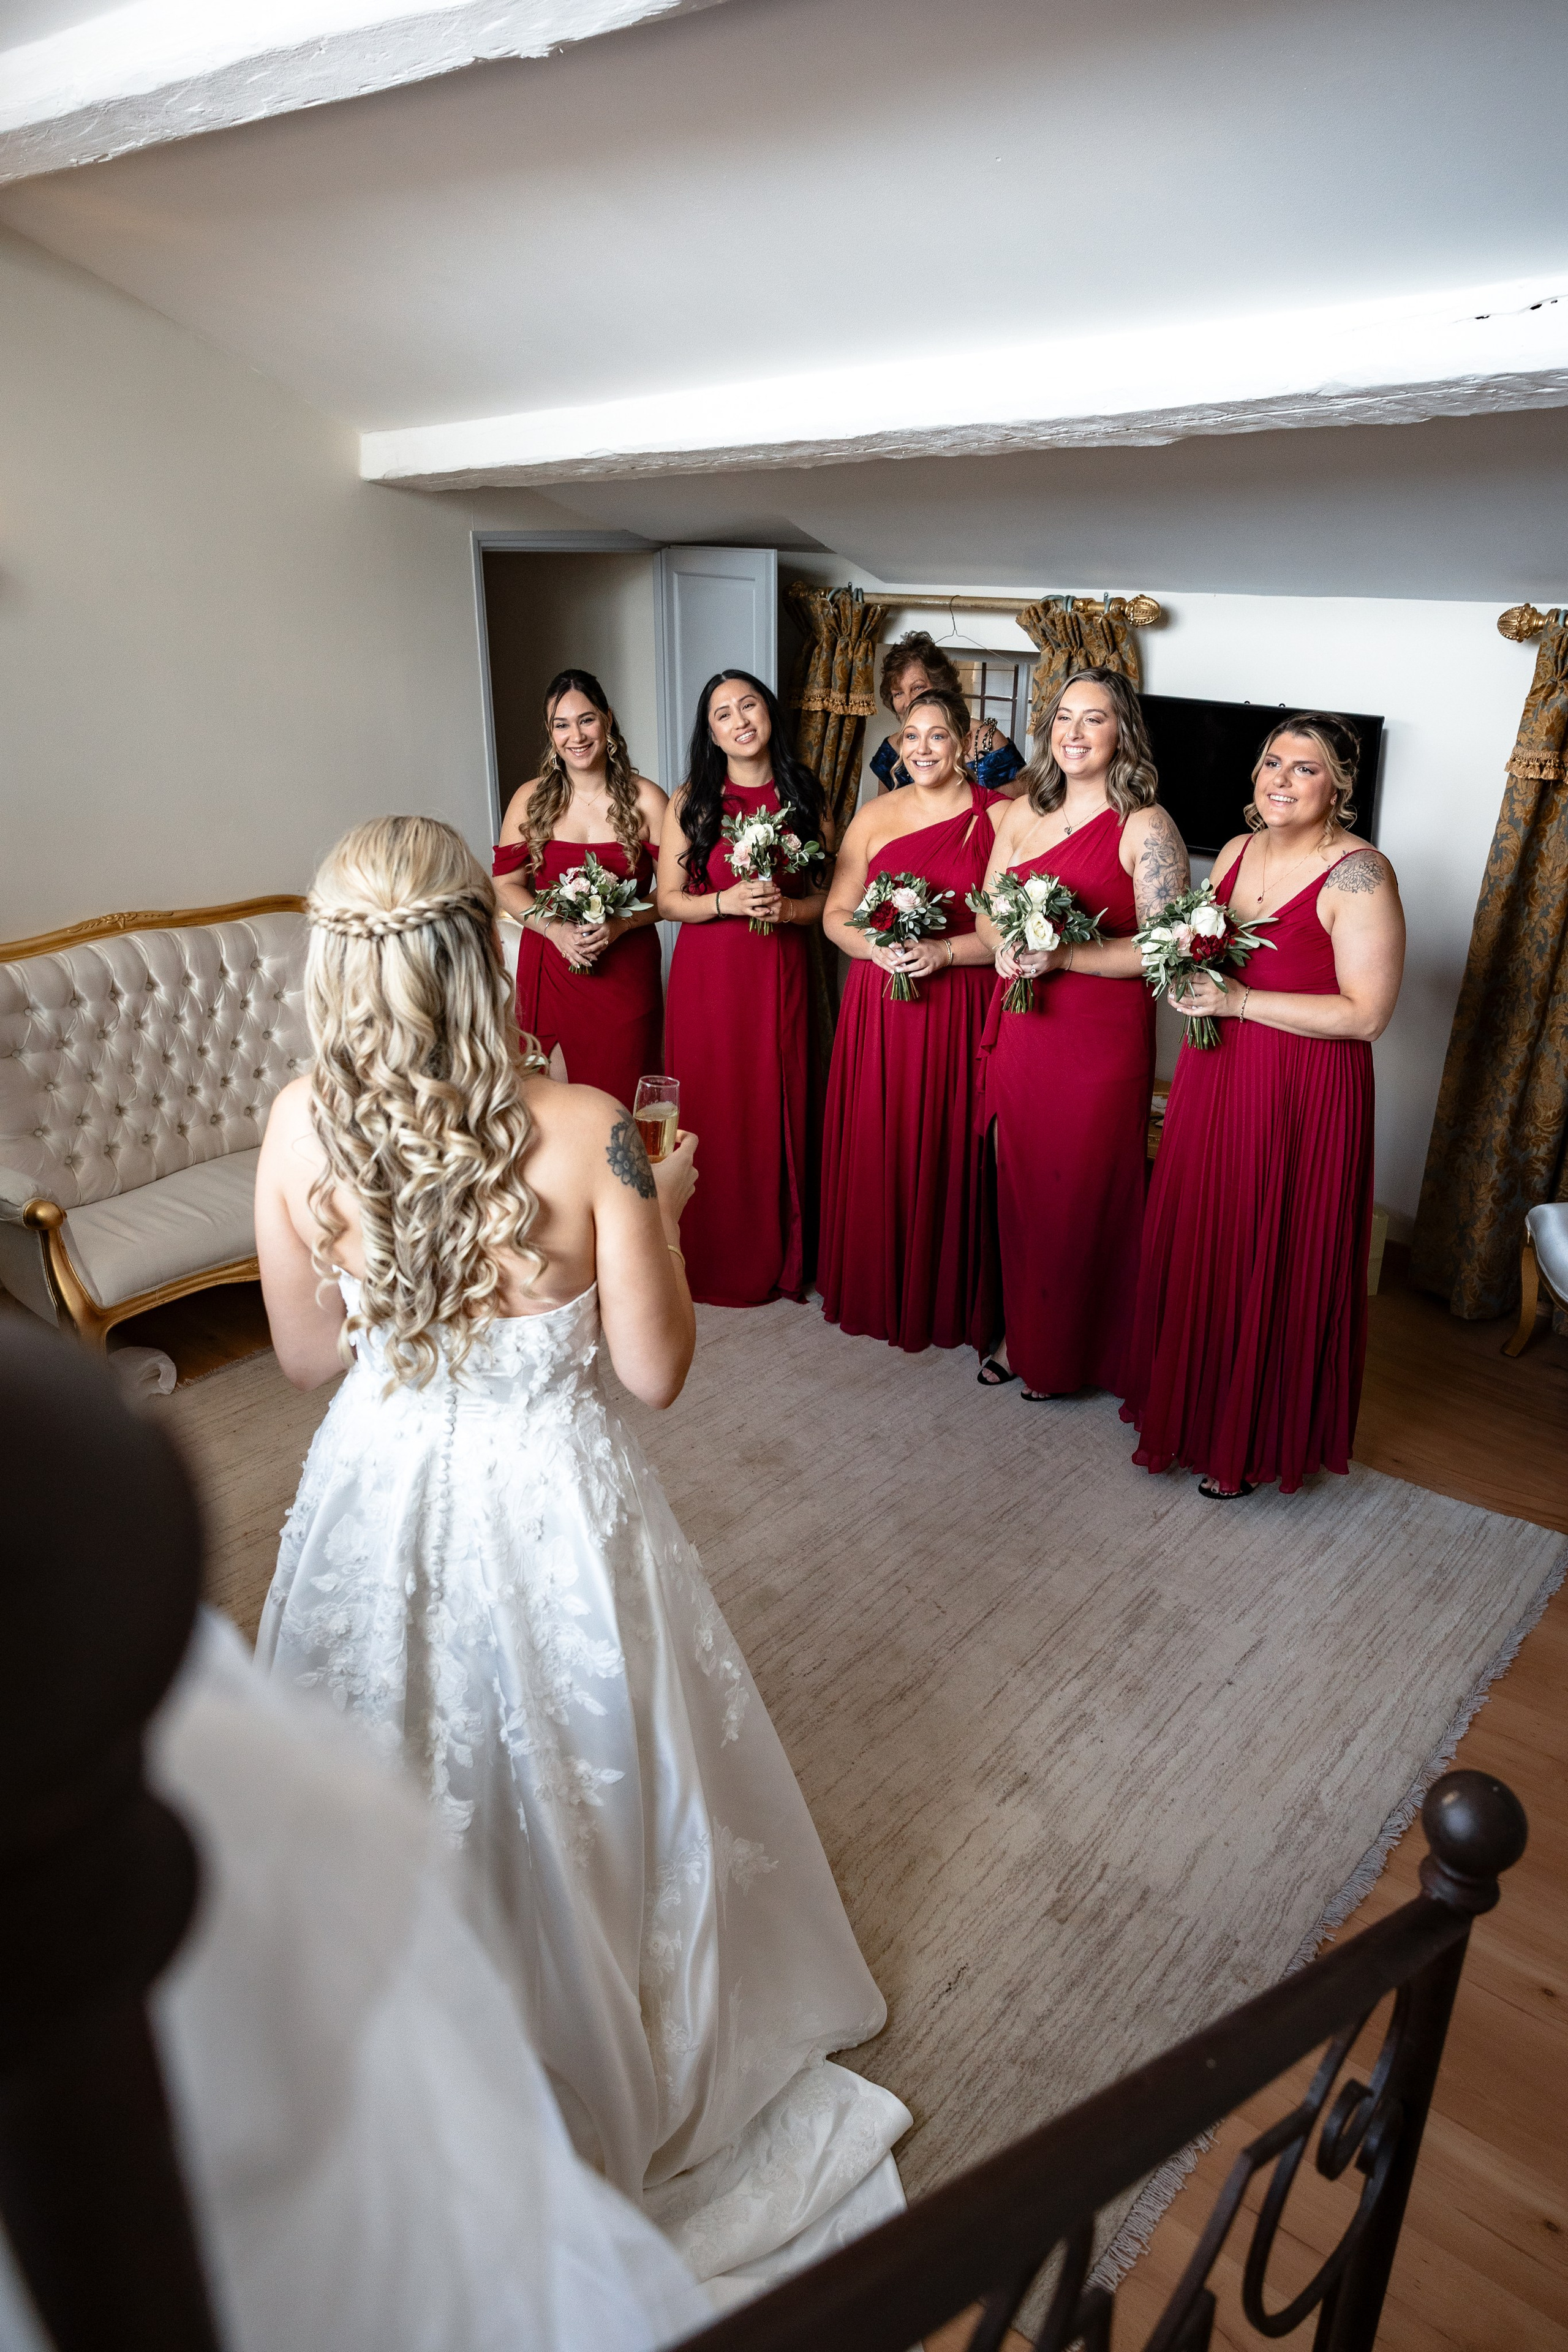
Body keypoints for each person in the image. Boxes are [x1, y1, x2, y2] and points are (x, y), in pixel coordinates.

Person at [251, 817, 909, 2296]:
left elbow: (301, 1356)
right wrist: (657, 1210)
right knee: (579, 1758)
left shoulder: (300, 1121)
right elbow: (655, 1372)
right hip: (549, 1495)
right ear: (486, 954)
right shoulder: (591, 1121)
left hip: (377, 1487)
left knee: (388, 1739)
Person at [1120, 714, 1406, 1498]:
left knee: (1267, 1247)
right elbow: (1204, 952)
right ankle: (1189, 1413)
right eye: (1270, 763)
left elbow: (1367, 1015)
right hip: (1218, 1072)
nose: (1279, 779)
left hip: (1303, 1086)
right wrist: (1189, 982)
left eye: (1304, 769)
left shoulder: (1360, 875)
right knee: (1204, 1235)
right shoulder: (1239, 851)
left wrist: (1241, 1002)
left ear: (1340, 786)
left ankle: (1250, 1441)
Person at [970, 670, 1188, 1400]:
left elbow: (1166, 951)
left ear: (1120, 732)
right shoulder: (1021, 814)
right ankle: (1020, 1333)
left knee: (1082, 1199)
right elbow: (986, 916)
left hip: (1097, 1045)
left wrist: (1065, 955)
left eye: (1092, 720)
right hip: (1023, 1032)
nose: (1072, 732)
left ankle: (1076, 1354)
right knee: (1022, 1192)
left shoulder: (1146, 826)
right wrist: (1003, 947)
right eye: (1063, 717)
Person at [818, 687, 1003, 1352]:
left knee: (950, 1141)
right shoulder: (874, 815)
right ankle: (875, 1280)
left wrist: (943, 951)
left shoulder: (1000, 819)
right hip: (881, 1001)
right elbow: (835, 913)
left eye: (938, 736)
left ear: (964, 745)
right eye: (910, 736)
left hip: (959, 1002)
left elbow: (1013, 934)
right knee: (881, 1133)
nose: (922, 749)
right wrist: (876, 948)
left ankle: (942, 1294)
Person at [657, 671, 831, 1308]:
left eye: (748, 705)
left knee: (774, 1096)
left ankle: (782, 1255)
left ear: (767, 713)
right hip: (710, 976)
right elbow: (667, 903)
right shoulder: (692, 802)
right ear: (711, 732)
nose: (739, 720)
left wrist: (788, 913)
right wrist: (724, 900)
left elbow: (828, 903)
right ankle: (705, 1252)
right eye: (723, 713)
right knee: (715, 1101)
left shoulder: (805, 793)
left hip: (777, 970)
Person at [492, 669, 666, 1107]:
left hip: (625, 971)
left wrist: (621, 926)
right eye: (561, 724)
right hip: (553, 965)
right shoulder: (529, 799)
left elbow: (677, 894)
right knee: (556, 1100)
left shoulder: (647, 799)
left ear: (607, 720)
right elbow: (506, 885)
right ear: (550, 734)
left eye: (586, 720)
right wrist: (555, 931)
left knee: (623, 1100)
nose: (577, 735)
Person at [869, 631, 1025, 795]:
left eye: (917, 688)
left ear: (940, 685)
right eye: (898, 693)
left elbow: (1016, 814)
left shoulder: (986, 740)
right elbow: (883, 815)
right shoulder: (891, 751)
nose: (909, 702)